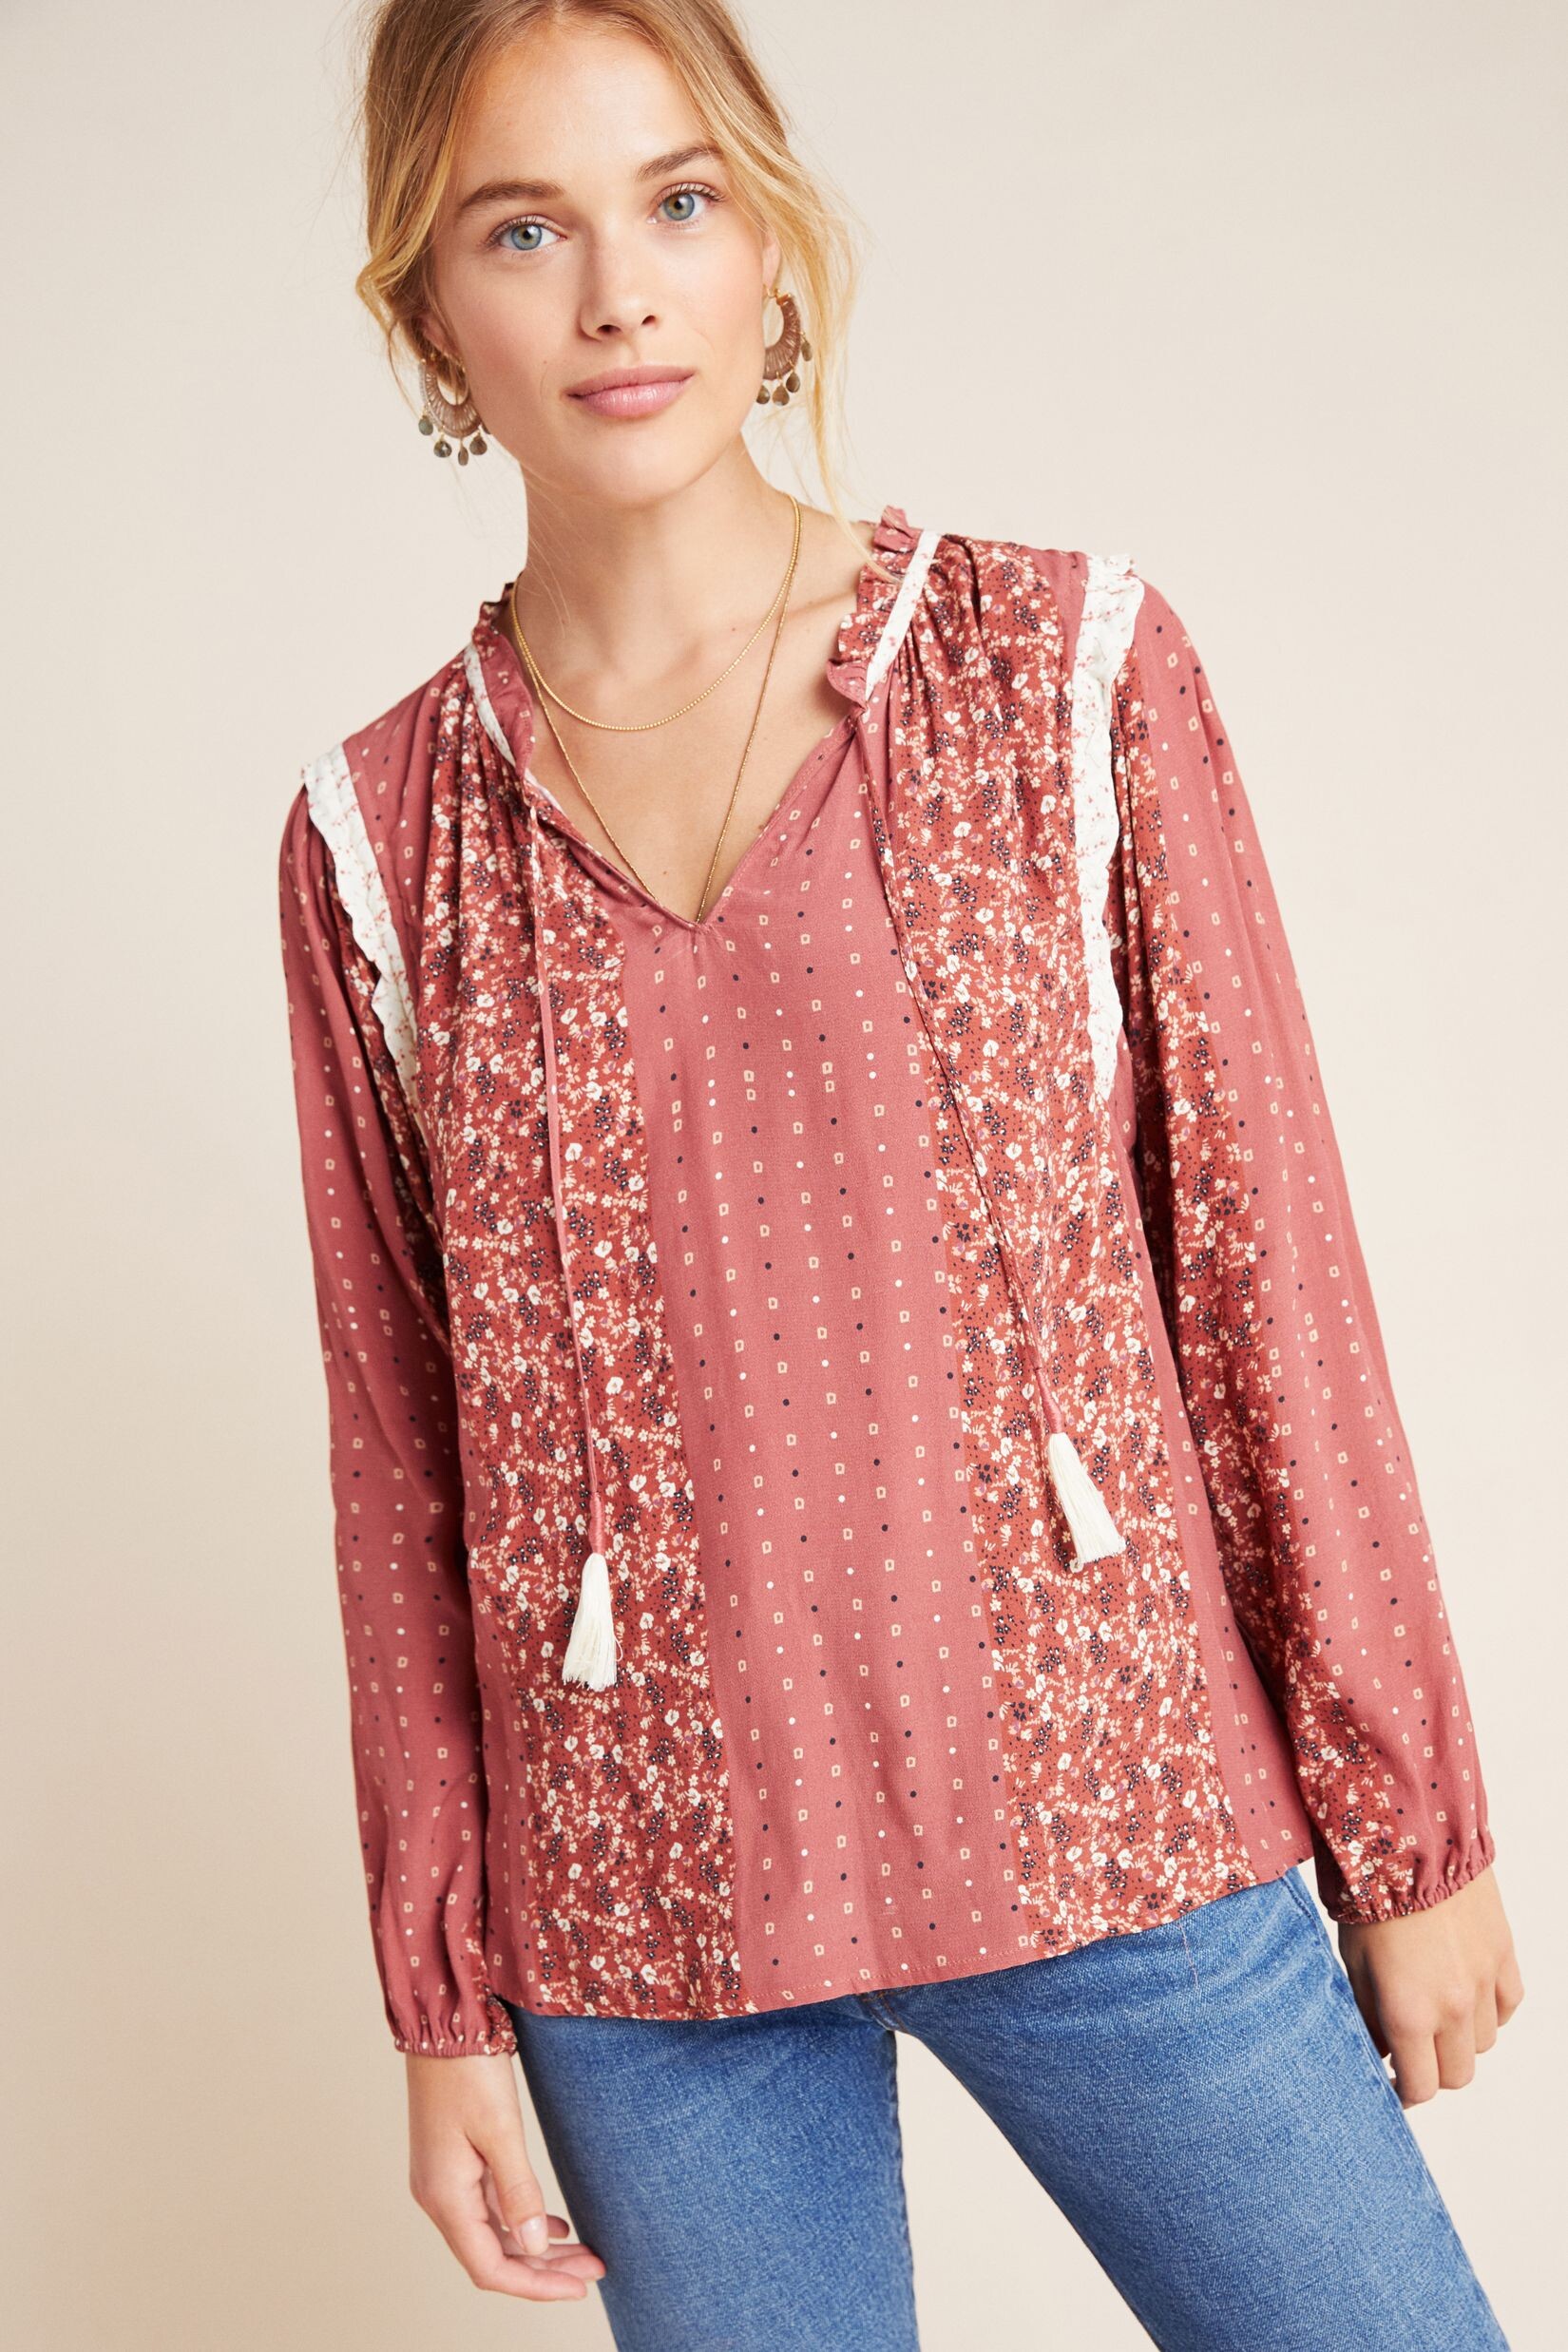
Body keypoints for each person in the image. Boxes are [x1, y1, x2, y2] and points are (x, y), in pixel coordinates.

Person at [276, 2, 1523, 2343]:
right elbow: (406, 1457)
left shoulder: (1060, 674)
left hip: (1103, 1796)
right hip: (648, 1916)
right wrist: (442, 1995)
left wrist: (1410, 1822)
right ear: (428, 311)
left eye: (677, 201)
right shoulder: (379, 835)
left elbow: (1262, 1267)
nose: (617, 293)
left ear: (768, 244)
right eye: (522, 230)